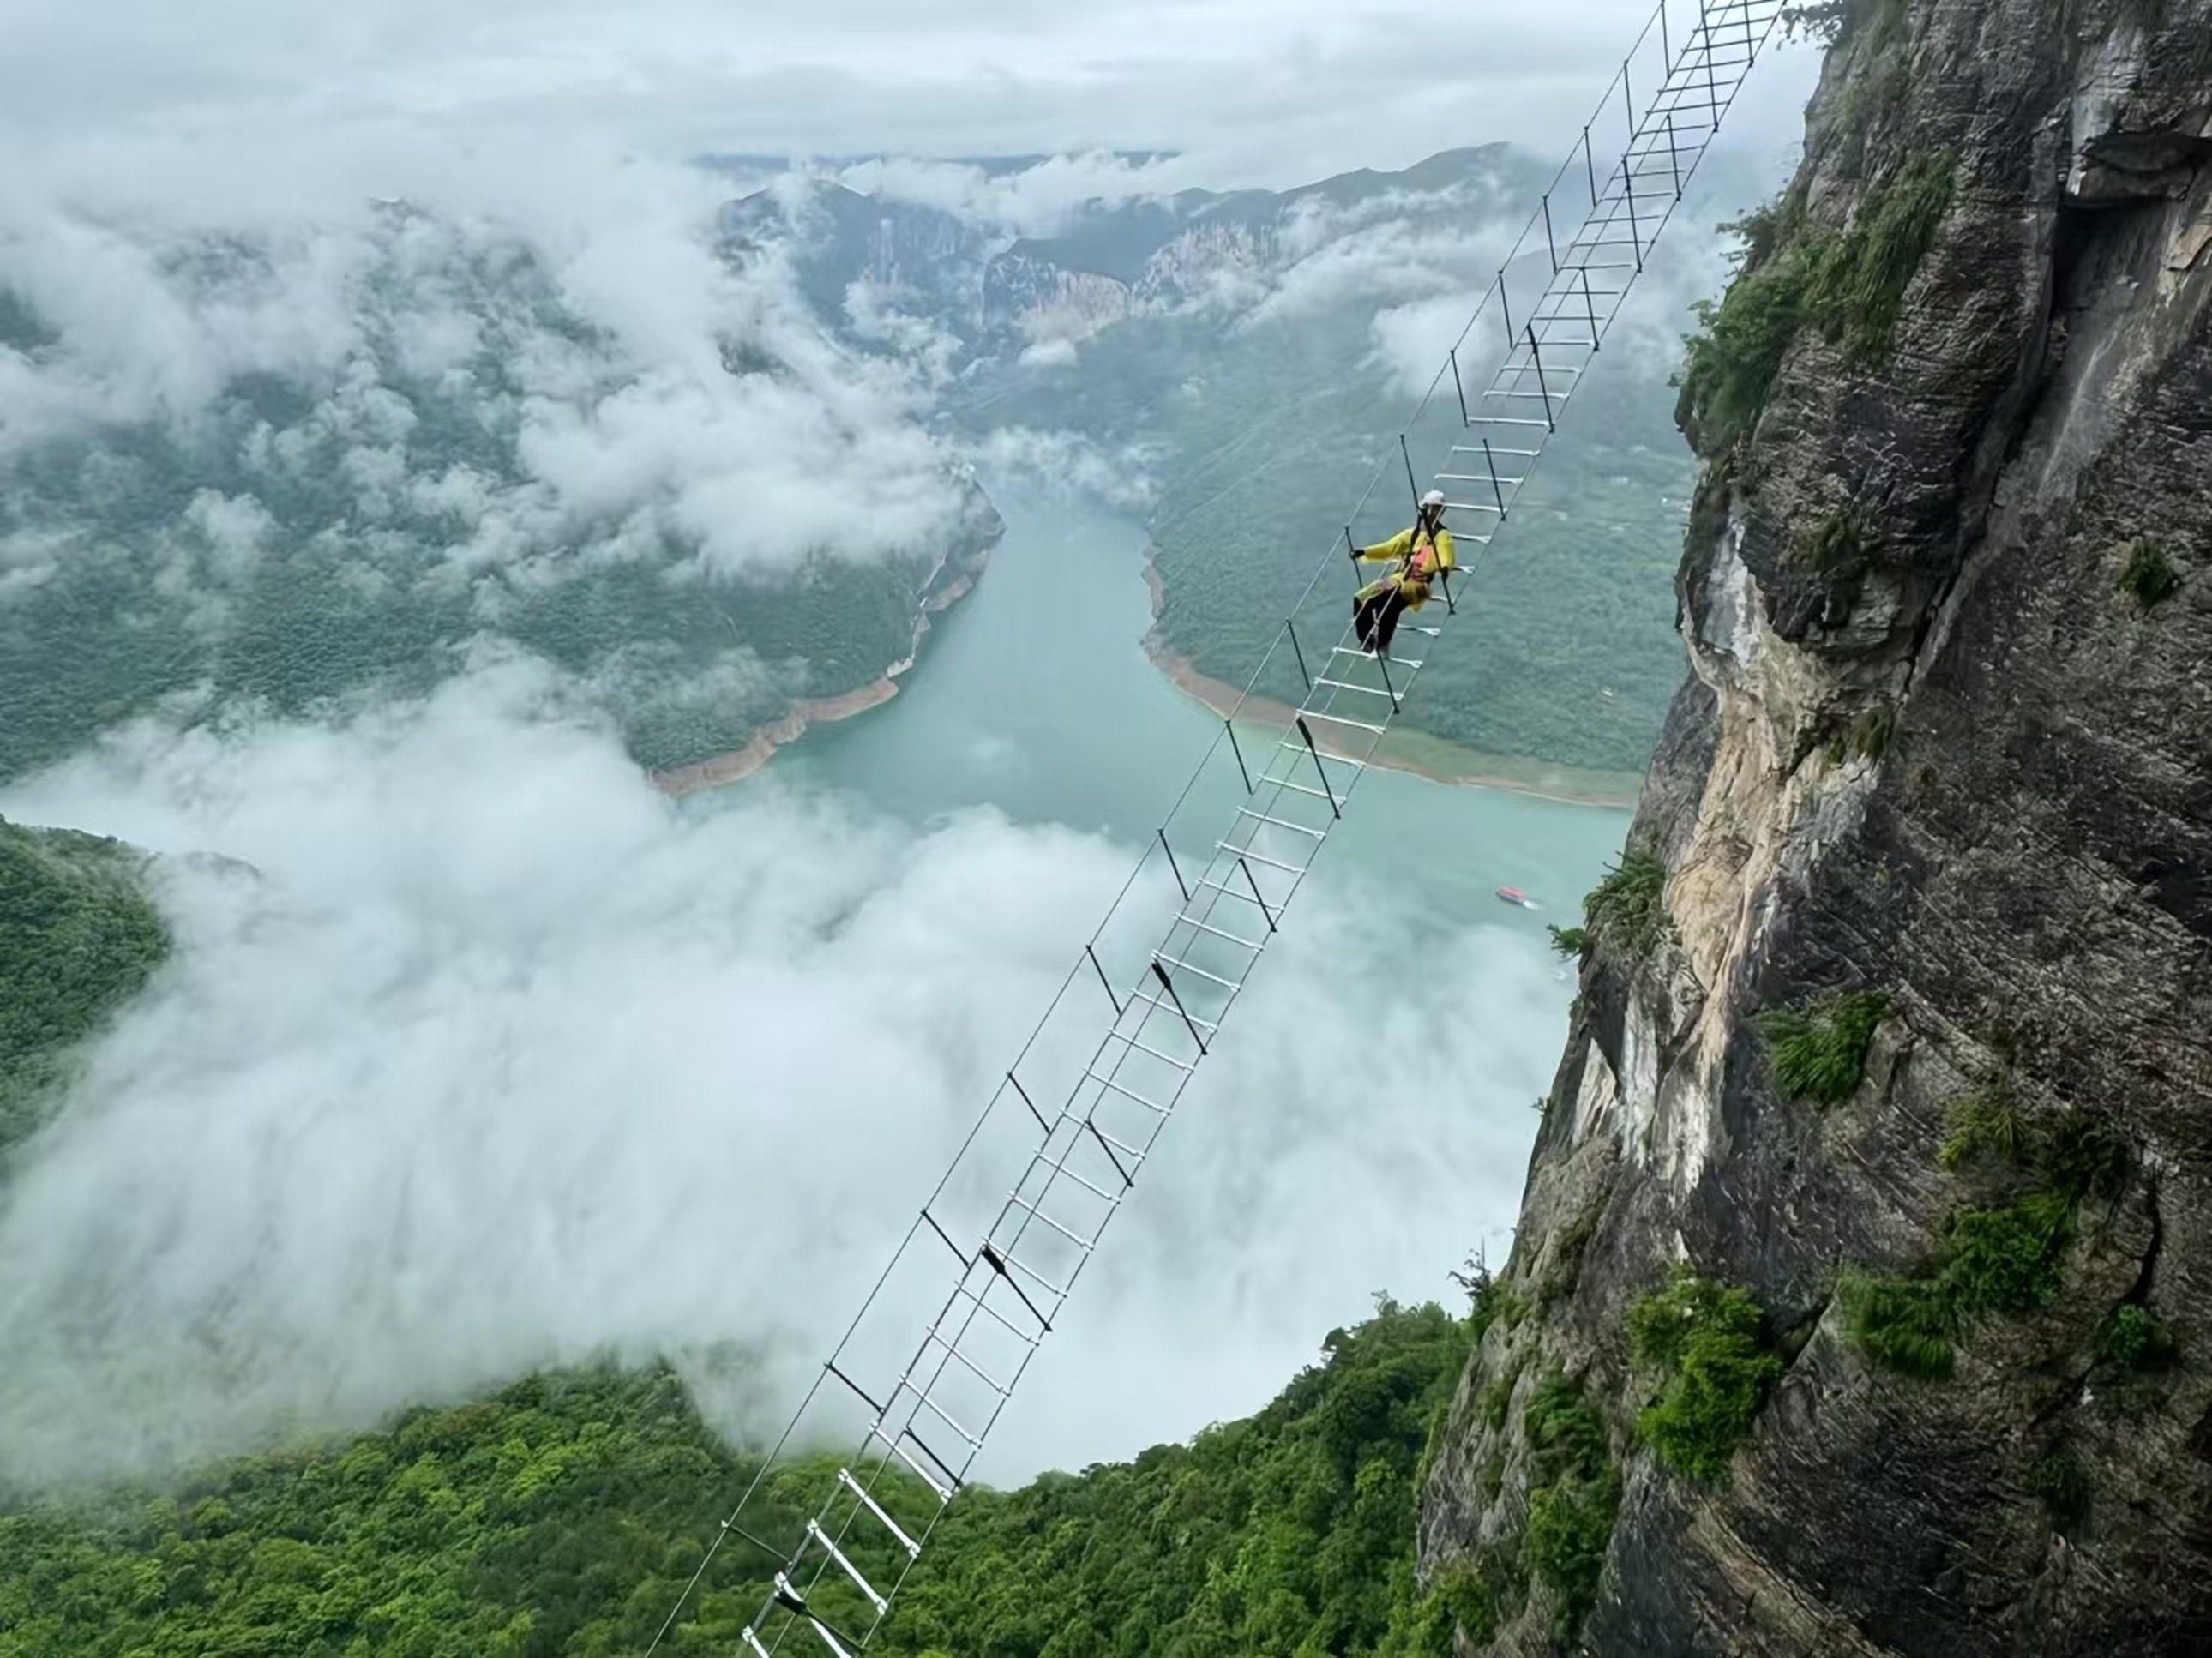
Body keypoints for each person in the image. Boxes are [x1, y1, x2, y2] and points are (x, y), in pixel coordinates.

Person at [1349, 490, 1455, 657]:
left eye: (1438, 509)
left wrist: (1444, 567)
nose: (1435, 513)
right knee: (1362, 598)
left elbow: (1445, 553)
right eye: (1432, 508)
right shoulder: (1412, 534)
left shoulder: (1441, 535)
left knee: (1387, 603)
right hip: (1397, 579)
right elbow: (1389, 548)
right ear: (1424, 509)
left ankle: (1383, 645)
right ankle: (1367, 641)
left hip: (1417, 584)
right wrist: (1364, 552)